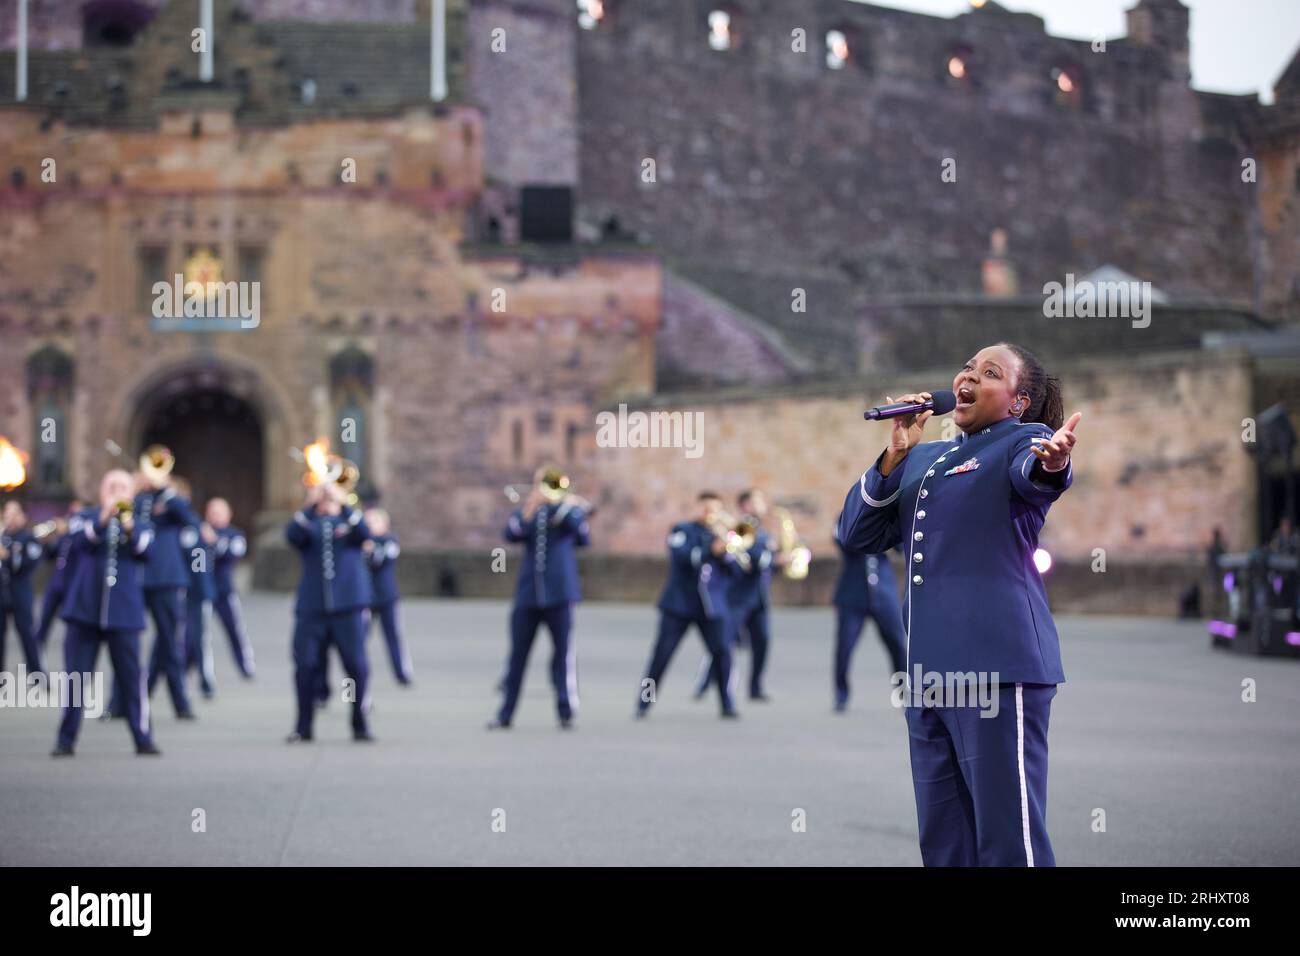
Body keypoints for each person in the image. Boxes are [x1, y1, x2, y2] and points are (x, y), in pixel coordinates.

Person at [838, 342, 1080, 867]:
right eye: (968, 366)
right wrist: (895, 452)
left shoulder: (1025, 439)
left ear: (1018, 401)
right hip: (930, 677)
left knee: (1008, 842)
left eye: (989, 373)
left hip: (997, 669)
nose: (968, 376)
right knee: (946, 845)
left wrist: (1053, 463)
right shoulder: (923, 457)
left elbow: (1035, 476)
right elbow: (856, 534)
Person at [52, 470, 161, 756]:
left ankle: (142, 737)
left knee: (131, 679)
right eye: (112, 486)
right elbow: (77, 543)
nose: (117, 492)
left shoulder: (141, 523)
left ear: (131, 493)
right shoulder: (85, 516)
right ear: (102, 491)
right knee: (76, 679)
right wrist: (103, 519)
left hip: (124, 613)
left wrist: (126, 525)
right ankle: (66, 739)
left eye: (123, 487)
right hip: (84, 611)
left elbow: (146, 551)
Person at [490, 467, 590, 729]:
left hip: (561, 593)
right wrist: (530, 508)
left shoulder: (568, 511)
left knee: (563, 654)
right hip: (528, 594)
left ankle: (566, 709)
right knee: (517, 656)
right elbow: (511, 534)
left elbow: (583, 535)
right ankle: (505, 713)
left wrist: (565, 504)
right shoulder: (530, 511)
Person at [108, 460, 199, 720]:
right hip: (135, 579)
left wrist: (163, 488)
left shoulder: (170, 500)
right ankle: (118, 704)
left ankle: (180, 704)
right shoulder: (135, 500)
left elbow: (188, 517)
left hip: (166, 580)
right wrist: (132, 489)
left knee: (171, 644)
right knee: (125, 643)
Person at [637, 491, 739, 720]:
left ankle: (727, 703)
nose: (710, 513)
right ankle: (644, 702)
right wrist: (712, 550)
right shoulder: (682, 530)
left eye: (715, 509)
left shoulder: (725, 536)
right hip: (679, 605)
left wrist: (728, 551)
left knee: (723, 653)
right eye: (705, 508)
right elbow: (682, 557)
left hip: (711, 605)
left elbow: (734, 571)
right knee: (661, 655)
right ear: (696, 507)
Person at [285, 479, 374, 743]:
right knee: (305, 666)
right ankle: (303, 726)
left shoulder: (350, 523)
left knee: (355, 667)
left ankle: (359, 722)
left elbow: (365, 533)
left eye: (330, 500)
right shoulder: (308, 524)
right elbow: (291, 535)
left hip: (348, 607)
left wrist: (344, 501)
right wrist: (310, 504)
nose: (327, 503)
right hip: (312, 608)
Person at [695, 489, 779, 702]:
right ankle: (706, 682)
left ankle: (756, 687)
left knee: (763, 641)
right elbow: (739, 559)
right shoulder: (738, 528)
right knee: (724, 642)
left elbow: (766, 564)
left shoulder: (762, 531)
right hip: (737, 596)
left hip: (759, 596)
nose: (761, 505)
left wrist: (779, 560)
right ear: (745, 505)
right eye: (756, 501)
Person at [831, 523, 905, 713]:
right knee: (844, 648)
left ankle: (904, 692)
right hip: (853, 594)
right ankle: (841, 695)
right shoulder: (845, 517)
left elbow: (901, 547)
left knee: (898, 645)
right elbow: (845, 543)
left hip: (884, 594)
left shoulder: (888, 516)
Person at [363, 508, 414, 686]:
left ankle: (402, 673)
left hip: (387, 597)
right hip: (366, 598)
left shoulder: (390, 541)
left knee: (393, 635)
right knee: (360, 638)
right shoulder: (361, 541)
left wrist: (369, 549)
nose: (370, 527)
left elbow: (379, 560)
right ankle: (361, 673)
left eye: (374, 522)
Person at [206, 498, 255, 679]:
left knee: (235, 629)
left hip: (224, 590)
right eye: (212, 512)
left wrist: (215, 541)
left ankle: (245, 665)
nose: (215, 516)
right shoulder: (201, 532)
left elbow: (234, 554)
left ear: (228, 515)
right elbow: (196, 561)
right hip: (204, 590)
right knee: (196, 632)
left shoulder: (234, 534)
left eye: (219, 512)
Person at [0, 500, 47, 675]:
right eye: (7, 513)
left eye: (14, 514)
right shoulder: (3, 536)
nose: (10, 518)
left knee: (28, 635)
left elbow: (31, 563)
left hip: (20, 593)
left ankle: (37, 674)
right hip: (2, 593)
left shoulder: (28, 538)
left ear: (22, 517)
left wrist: (8, 557)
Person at [35, 500, 84, 660]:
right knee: (43, 623)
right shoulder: (65, 535)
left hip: (72, 585)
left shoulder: (82, 533)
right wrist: (47, 541)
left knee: (72, 627)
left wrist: (66, 533)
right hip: (56, 584)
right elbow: (51, 554)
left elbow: (81, 549)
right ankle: (36, 658)